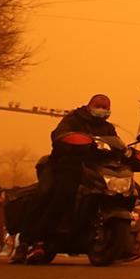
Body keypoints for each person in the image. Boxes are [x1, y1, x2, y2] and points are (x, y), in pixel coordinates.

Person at [13, 94, 119, 263]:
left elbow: (116, 145)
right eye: (98, 105)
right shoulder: (74, 119)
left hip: (90, 170)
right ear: (89, 105)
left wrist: (124, 151)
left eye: (106, 107)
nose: (102, 110)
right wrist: (73, 140)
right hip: (61, 165)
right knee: (48, 193)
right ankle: (27, 242)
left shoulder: (108, 128)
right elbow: (58, 135)